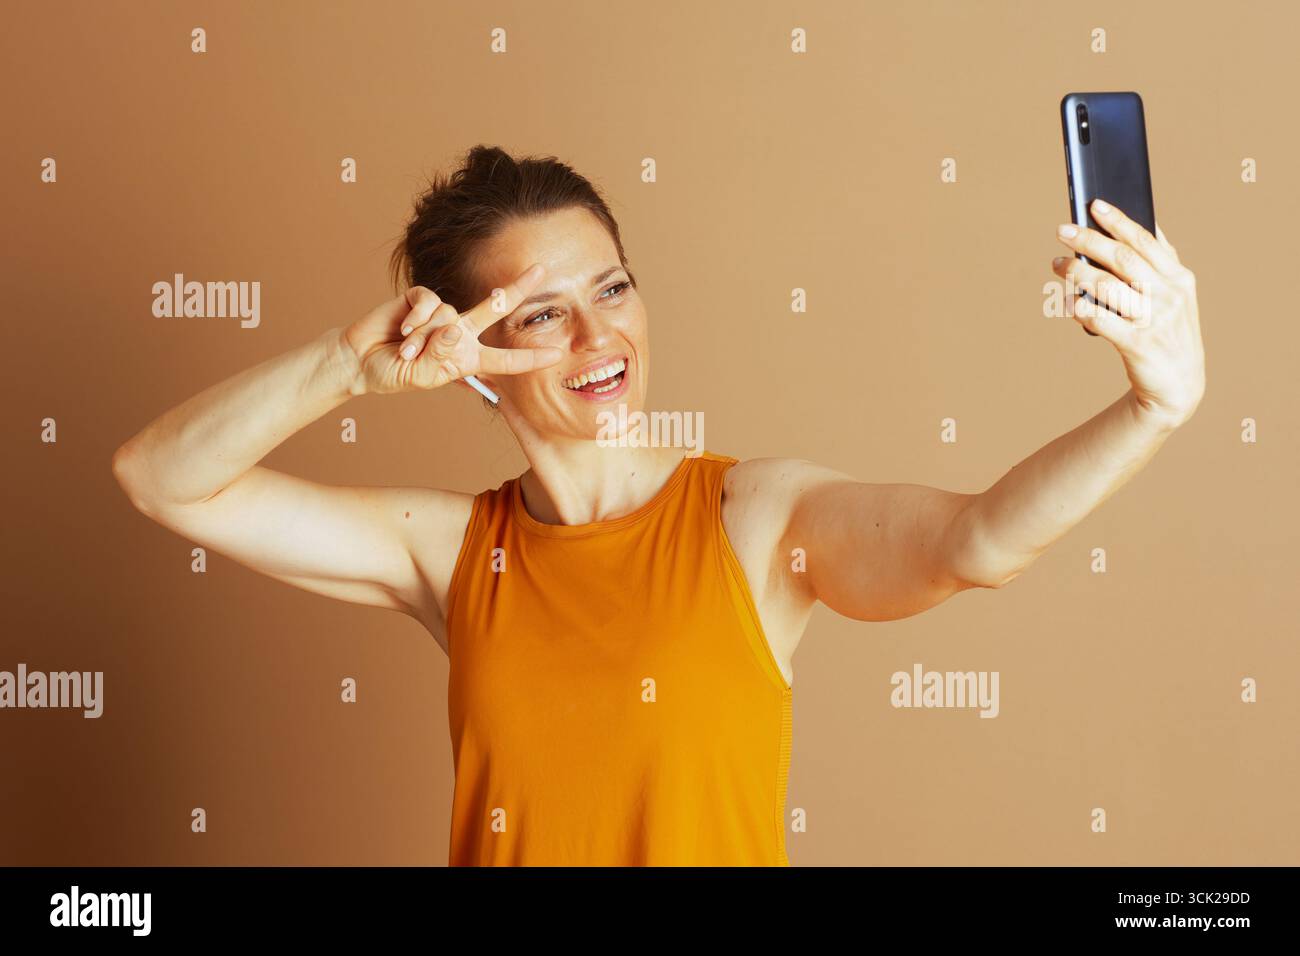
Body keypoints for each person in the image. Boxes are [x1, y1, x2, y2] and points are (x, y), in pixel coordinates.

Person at [112, 145, 1205, 866]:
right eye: (539, 315)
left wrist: (1151, 407)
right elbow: (158, 477)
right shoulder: (451, 549)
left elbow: (977, 541)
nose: (599, 339)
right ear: (470, 353)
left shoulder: (751, 514)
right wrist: (346, 369)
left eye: (611, 287)